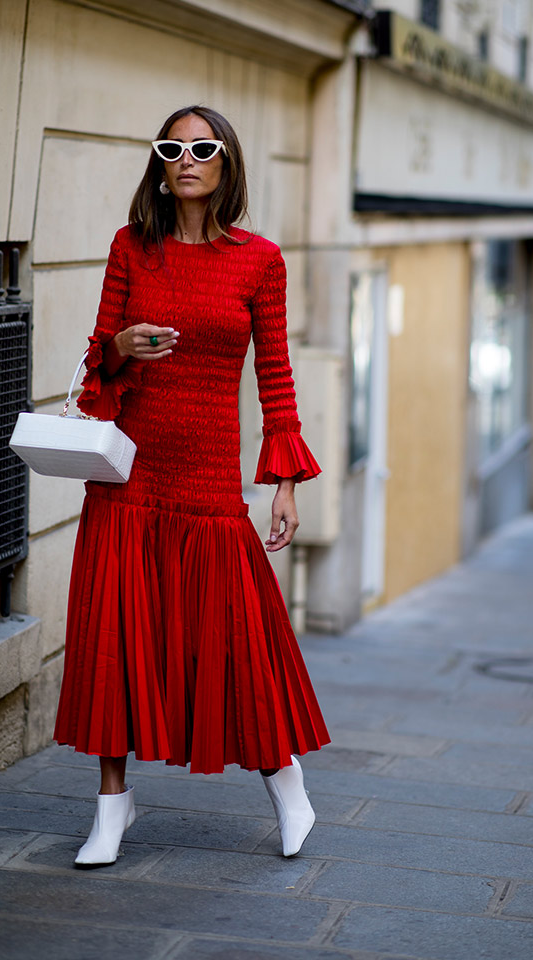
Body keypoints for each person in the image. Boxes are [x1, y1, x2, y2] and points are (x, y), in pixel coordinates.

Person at [53, 105, 331, 867]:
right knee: (116, 639)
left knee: (239, 640)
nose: (186, 158)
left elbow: (274, 375)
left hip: (208, 480)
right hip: (128, 478)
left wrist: (283, 484)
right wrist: (119, 346)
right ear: (159, 162)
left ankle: (286, 783)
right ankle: (112, 806)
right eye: (171, 147)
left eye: (201, 147)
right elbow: (97, 367)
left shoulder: (258, 260)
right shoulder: (129, 249)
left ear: (225, 162)